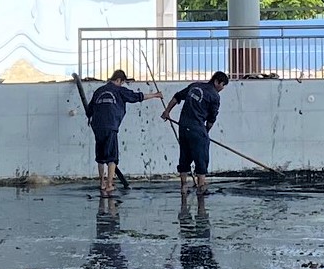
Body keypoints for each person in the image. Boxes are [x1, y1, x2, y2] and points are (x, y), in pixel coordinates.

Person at [85, 69, 159, 198]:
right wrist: (155, 95)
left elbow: (89, 110)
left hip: (97, 127)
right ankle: (109, 185)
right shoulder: (119, 90)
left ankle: (102, 183)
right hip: (111, 126)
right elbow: (137, 97)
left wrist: (92, 118)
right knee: (112, 157)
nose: (122, 84)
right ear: (119, 80)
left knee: (100, 157)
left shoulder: (99, 91)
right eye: (122, 82)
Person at [165, 70, 230, 199]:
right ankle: (201, 187)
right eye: (223, 85)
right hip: (197, 128)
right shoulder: (214, 96)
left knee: (184, 156)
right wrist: (206, 132)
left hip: (183, 126)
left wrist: (167, 112)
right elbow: (211, 119)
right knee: (201, 157)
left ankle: (184, 186)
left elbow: (177, 97)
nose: (222, 88)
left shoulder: (195, 86)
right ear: (217, 82)